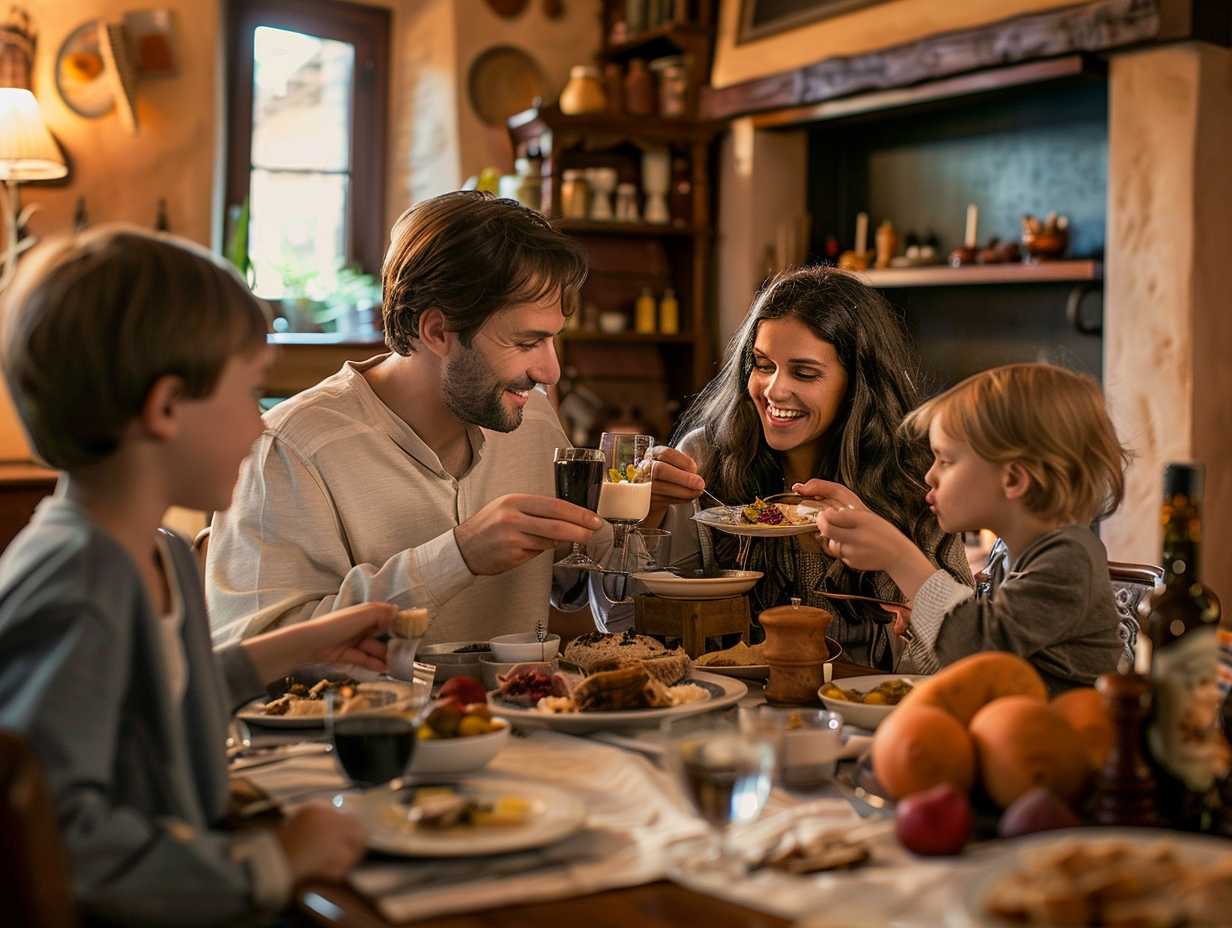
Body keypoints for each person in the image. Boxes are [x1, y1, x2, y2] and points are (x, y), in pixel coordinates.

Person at [0, 227, 401, 925]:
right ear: (165, 408)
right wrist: (273, 859)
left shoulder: (150, 550)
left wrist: (301, 645)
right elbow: (56, 840)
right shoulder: (81, 586)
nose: (258, 427)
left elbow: (159, 700)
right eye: (250, 393)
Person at [206, 191, 608, 648]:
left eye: (552, 340)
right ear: (437, 331)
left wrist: (638, 516)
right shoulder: (290, 449)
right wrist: (457, 557)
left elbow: (571, 591)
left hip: (533, 714)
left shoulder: (528, 415)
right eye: (525, 343)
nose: (549, 373)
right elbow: (254, 657)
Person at [646, 266, 971, 668]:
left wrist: (887, 556)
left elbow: (967, 662)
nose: (774, 390)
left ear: (857, 383)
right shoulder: (706, 457)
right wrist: (646, 520)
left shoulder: (917, 475)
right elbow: (631, 628)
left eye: (805, 373)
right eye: (763, 364)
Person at [809, 362, 1130, 694]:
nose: (929, 476)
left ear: (1014, 479)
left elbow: (980, 645)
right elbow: (972, 666)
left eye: (945, 461)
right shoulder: (1009, 554)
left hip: (1066, 737)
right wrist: (923, 619)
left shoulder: (1070, 557)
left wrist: (900, 558)